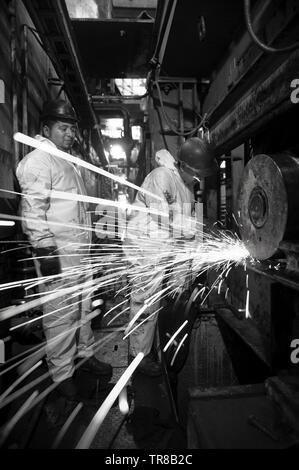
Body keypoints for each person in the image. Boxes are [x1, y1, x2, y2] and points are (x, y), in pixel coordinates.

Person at [16, 99, 112, 399]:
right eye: (63, 127)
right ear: (46, 129)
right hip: (57, 255)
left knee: (83, 309)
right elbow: (33, 207)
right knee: (60, 314)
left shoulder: (67, 161)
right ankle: (61, 374)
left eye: (72, 128)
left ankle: (83, 355)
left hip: (78, 254)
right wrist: (44, 249)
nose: (69, 133)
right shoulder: (40, 160)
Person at [124, 138, 218, 376]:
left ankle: (149, 346)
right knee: (145, 301)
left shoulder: (187, 189)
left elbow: (192, 231)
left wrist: (190, 264)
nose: (199, 180)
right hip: (146, 247)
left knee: (164, 298)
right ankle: (138, 357)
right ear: (185, 166)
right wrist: (188, 231)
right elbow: (161, 217)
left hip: (166, 247)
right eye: (197, 174)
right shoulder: (161, 177)